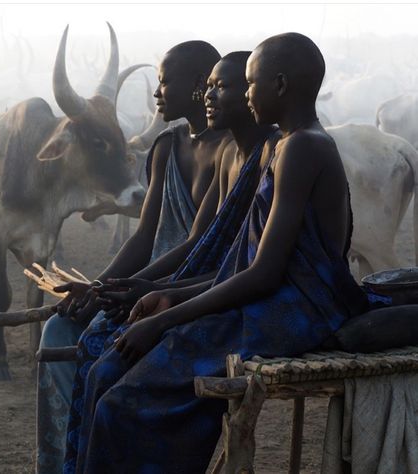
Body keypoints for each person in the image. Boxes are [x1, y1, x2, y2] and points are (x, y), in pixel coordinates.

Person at [68, 33, 375, 474]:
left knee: (124, 403)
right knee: (112, 372)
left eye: (250, 84)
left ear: (281, 86)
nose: (246, 94)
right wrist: (167, 294)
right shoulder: (290, 145)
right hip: (271, 301)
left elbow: (265, 275)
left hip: (298, 311)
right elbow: (249, 267)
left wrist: (165, 317)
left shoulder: (303, 147)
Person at [63, 51, 280, 472]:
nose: (210, 96)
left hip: (245, 303)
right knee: (97, 359)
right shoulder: (221, 152)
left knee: (113, 384)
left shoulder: (278, 154)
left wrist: (161, 302)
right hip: (205, 287)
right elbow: (201, 241)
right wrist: (130, 289)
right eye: (212, 87)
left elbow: (258, 270)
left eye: (225, 86)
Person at [35, 40, 231, 474]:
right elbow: (145, 236)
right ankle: (63, 462)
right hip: (142, 283)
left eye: (164, 82)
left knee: (104, 348)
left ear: (200, 85)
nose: (157, 93)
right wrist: (97, 286)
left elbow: (204, 245)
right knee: (60, 328)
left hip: (189, 289)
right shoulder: (166, 145)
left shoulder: (234, 151)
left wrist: (124, 290)